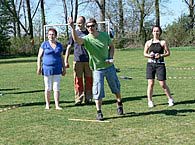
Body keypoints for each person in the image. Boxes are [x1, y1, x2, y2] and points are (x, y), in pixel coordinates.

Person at [68, 17, 124, 121]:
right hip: (97, 69)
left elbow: (111, 46)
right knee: (97, 91)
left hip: (109, 67)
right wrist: (72, 27)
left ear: (96, 26)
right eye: (88, 26)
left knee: (115, 87)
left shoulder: (104, 35)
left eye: (92, 26)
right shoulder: (87, 39)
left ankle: (119, 103)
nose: (90, 28)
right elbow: (76, 40)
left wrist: (110, 57)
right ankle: (99, 112)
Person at [143, 25, 174, 108]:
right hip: (150, 64)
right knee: (150, 83)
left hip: (160, 64)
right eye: (154, 31)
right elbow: (144, 54)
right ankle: (150, 101)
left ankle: (170, 99)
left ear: (160, 32)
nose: (156, 33)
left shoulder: (163, 42)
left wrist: (160, 55)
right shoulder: (148, 42)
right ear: (152, 32)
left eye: (157, 31)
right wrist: (150, 55)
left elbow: (168, 53)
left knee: (162, 84)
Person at [65, 16, 93, 105]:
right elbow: (69, 47)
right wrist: (66, 60)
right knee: (78, 80)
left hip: (88, 60)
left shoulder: (89, 32)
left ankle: (88, 98)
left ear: (84, 23)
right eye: (77, 22)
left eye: (80, 22)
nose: (79, 24)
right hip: (77, 60)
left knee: (89, 80)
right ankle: (79, 99)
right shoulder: (74, 33)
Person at [37, 28, 66, 110]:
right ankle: (47, 104)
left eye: (53, 34)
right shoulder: (44, 45)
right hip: (47, 69)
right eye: (49, 34)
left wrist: (64, 68)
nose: (51, 36)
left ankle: (57, 105)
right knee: (47, 87)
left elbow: (61, 57)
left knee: (56, 87)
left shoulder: (59, 45)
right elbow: (39, 56)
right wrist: (39, 67)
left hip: (57, 69)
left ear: (56, 35)